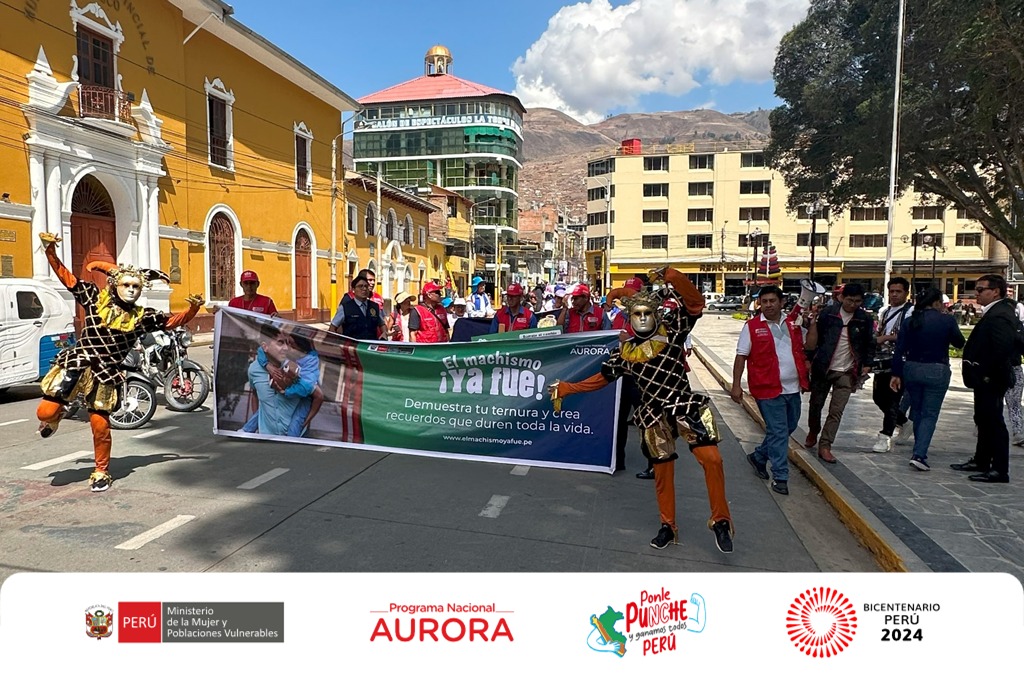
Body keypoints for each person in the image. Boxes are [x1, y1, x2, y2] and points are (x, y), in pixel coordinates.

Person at [549, 267, 734, 554]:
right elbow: (601, 379)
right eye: (638, 314)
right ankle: (668, 526)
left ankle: (720, 519)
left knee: (712, 459)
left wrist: (671, 275)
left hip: (683, 404)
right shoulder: (624, 353)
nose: (644, 318)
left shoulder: (673, 330)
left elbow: (696, 303)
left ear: (656, 314)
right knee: (663, 472)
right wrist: (568, 388)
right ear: (631, 318)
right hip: (652, 413)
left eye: (648, 313)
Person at [34, 232, 202, 492]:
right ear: (114, 285)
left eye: (136, 287)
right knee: (45, 412)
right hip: (79, 362)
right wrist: (50, 252)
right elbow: (67, 279)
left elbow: (170, 322)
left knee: (100, 426)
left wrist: (192, 310)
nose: (132, 290)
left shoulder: (142, 316)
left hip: (106, 374)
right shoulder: (93, 298)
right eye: (127, 285)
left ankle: (101, 470)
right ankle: (53, 421)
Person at [731, 285, 810, 495]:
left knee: (787, 428)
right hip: (766, 389)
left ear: (781, 302)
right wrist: (736, 385)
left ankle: (758, 456)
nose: (768, 305)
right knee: (778, 431)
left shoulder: (794, 323)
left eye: (772, 301)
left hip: (793, 388)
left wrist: (814, 323)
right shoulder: (751, 326)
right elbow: (741, 356)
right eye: (764, 301)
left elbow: (809, 345)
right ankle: (780, 477)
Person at [889, 288, 966, 471]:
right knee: (930, 414)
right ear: (938, 302)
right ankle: (919, 454)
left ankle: (918, 449)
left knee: (917, 411)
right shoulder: (946, 320)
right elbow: (959, 343)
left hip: (912, 369)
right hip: (937, 369)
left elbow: (899, 349)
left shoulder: (910, 321)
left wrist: (896, 374)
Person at [950, 274, 1017, 483]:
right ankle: (981, 460)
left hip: (992, 378)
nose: (976, 293)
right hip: (984, 378)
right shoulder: (994, 312)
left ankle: (999, 469)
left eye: (980, 290)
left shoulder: (1000, 314)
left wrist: (986, 373)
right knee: (983, 419)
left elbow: (1002, 348)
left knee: (994, 422)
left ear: (995, 291)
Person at [803, 282, 875, 463]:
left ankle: (825, 445)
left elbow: (869, 343)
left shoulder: (864, 319)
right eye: (850, 300)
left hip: (847, 371)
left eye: (857, 301)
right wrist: (808, 359)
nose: (853, 304)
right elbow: (815, 338)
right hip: (823, 368)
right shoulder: (828, 314)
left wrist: (867, 363)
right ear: (841, 298)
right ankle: (813, 430)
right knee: (815, 405)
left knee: (837, 411)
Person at [243, 324, 323, 437]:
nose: (286, 348)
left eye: (289, 344)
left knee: (294, 431)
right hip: (266, 438)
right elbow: (255, 394)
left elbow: (318, 395)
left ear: (300, 349)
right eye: (281, 343)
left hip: (294, 439)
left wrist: (286, 391)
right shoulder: (254, 369)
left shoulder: (297, 366)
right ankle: (246, 430)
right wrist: (267, 366)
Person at [871, 277, 914, 452]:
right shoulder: (885, 311)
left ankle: (885, 435)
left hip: (900, 360)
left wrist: (887, 338)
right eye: (892, 291)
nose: (894, 294)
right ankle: (903, 421)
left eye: (899, 291)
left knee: (892, 399)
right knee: (878, 397)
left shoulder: (910, 312)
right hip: (882, 359)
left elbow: (909, 337)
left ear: (906, 293)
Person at [329, 275, 385, 339]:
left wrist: (384, 333)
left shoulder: (375, 306)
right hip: (352, 346)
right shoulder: (345, 308)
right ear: (353, 289)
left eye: (366, 286)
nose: (364, 289)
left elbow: (382, 324)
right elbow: (332, 328)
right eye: (360, 286)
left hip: (370, 346)